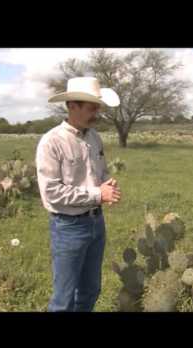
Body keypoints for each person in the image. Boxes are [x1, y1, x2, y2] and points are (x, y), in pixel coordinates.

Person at [36, 77, 122, 312]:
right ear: (72, 106)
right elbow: (52, 192)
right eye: (92, 107)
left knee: (90, 290)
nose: (97, 113)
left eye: (98, 107)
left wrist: (108, 185)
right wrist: (97, 194)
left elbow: (100, 172)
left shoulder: (94, 137)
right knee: (63, 300)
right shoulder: (52, 142)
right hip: (68, 227)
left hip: (96, 222)